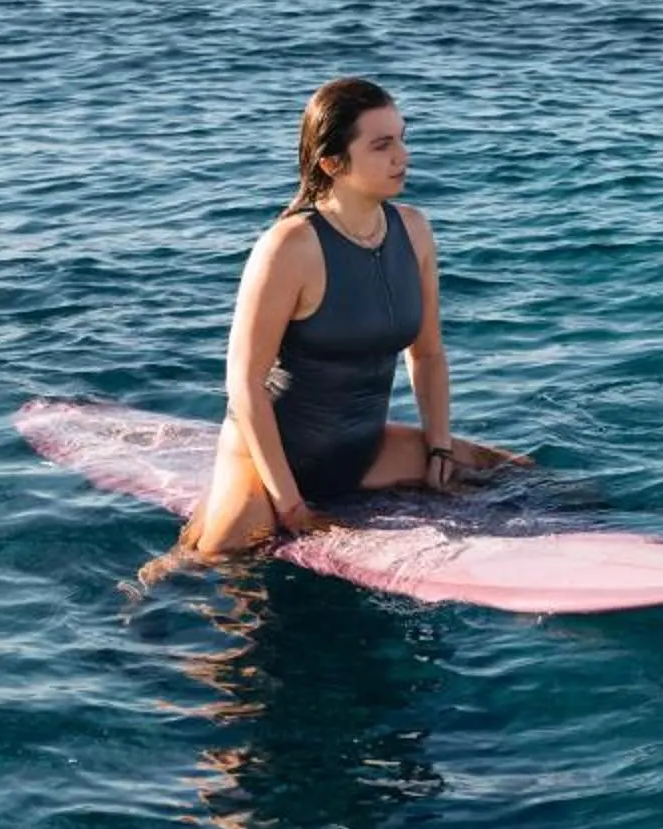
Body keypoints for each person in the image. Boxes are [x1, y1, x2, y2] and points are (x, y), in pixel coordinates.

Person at [182, 77, 505, 556]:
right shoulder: (289, 247)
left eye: (402, 138)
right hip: (267, 462)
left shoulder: (413, 230)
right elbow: (244, 383)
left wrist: (438, 448)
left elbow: (428, 353)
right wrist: (290, 506)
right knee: (221, 561)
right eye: (382, 145)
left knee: (511, 477)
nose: (402, 156)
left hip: (362, 453)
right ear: (332, 163)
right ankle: (167, 565)